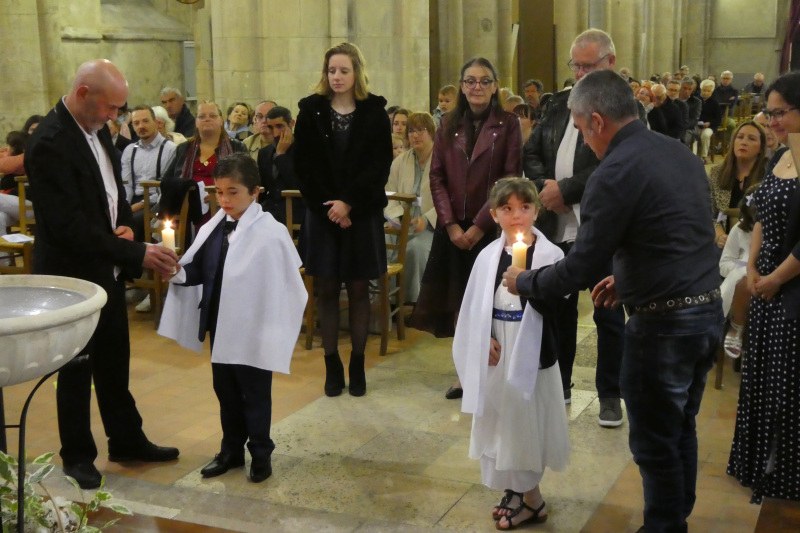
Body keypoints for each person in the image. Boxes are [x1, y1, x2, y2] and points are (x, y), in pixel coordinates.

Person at [504, 69, 723, 533]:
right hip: (705, 312)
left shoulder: (613, 172)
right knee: (679, 427)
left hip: (663, 326)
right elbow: (680, 234)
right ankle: (675, 518)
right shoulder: (678, 153)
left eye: (581, 130)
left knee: (654, 443)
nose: (584, 139)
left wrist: (525, 281)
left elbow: (580, 267)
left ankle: (664, 526)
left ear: (598, 121)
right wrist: (627, 277)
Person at [25, 59, 180, 490]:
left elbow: (112, 194)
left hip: (105, 266)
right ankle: (77, 455)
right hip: (72, 276)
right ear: (82, 94)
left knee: (114, 361)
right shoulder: (49, 143)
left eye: (119, 108)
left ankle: (126, 439)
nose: (116, 116)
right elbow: (68, 228)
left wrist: (124, 226)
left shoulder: (98, 130)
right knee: (76, 368)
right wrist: (136, 252)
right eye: (110, 107)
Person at [160, 153, 306, 483]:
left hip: (254, 330)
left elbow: (285, 285)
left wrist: (271, 325)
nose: (224, 200)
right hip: (220, 326)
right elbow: (199, 270)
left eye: (233, 192)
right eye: (219, 192)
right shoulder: (212, 228)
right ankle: (231, 451)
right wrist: (176, 271)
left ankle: (261, 452)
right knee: (225, 392)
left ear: (255, 192)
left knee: (255, 394)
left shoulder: (271, 233)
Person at [522, 28, 628, 427]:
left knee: (608, 313)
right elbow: (531, 152)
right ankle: (559, 384)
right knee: (557, 307)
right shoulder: (557, 103)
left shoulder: (626, 106)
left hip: (601, 225)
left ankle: (610, 395)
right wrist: (546, 189)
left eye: (589, 66)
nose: (580, 73)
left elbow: (614, 163)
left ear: (610, 63)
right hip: (556, 224)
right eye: (576, 66)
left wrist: (565, 190)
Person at [455, 177, 569, 530]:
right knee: (500, 420)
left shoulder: (552, 256)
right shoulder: (487, 257)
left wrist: (528, 285)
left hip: (531, 349)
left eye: (524, 207)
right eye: (507, 209)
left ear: (537, 211)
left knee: (524, 422)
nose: (516, 215)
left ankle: (530, 498)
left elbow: (559, 309)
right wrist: (483, 338)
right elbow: (475, 307)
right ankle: (517, 492)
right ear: (494, 214)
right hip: (498, 349)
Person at [409, 56, 521, 399]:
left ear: (495, 86)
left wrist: (480, 225)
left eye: (484, 81)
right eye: (470, 81)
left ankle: (491, 374)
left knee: (489, 301)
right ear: (462, 86)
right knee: (459, 301)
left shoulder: (508, 124)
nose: (477, 87)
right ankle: (464, 374)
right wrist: (450, 224)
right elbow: (437, 177)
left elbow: (509, 177)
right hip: (453, 229)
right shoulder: (448, 123)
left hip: (490, 228)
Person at [294, 42, 392, 397]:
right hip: (323, 215)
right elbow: (304, 166)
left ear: (356, 73)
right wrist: (331, 208)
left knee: (359, 288)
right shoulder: (311, 110)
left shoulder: (374, 111)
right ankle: (332, 363)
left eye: (344, 71)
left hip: (361, 214)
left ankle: (358, 363)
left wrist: (348, 203)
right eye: (332, 70)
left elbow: (379, 165)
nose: (337, 76)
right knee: (326, 289)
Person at [727, 71, 800, 504]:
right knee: (761, 377)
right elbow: (758, 219)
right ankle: (755, 463)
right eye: (769, 113)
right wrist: (752, 268)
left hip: (791, 287)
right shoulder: (781, 157)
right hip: (766, 283)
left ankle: (785, 472)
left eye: (779, 113)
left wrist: (775, 278)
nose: (771, 122)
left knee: (787, 385)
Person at [165, 101, 246, 228]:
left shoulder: (237, 147)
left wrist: (224, 195)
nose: (207, 119)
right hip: (188, 211)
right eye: (202, 116)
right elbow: (168, 180)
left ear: (221, 120)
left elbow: (247, 181)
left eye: (212, 116)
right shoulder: (184, 148)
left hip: (226, 209)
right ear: (196, 122)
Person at [384, 112, 437, 305]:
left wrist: (427, 219)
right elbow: (389, 193)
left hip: (431, 226)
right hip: (402, 223)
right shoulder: (400, 161)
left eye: (421, 130)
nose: (415, 135)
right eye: (411, 131)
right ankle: (386, 299)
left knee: (416, 249)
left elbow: (450, 198)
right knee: (379, 241)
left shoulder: (443, 159)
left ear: (431, 133)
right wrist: (397, 217)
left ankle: (414, 303)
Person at [707, 120, 766, 249]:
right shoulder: (716, 173)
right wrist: (719, 235)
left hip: (756, 243)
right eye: (740, 137)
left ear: (761, 148)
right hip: (724, 243)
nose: (743, 142)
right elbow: (710, 214)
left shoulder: (768, 175)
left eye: (751, 139)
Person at [719, 187, 758, 358]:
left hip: (769, 274)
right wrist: (741, 269)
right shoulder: (739, 230)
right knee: (743, 283)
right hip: (742, 276)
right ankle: (737, 326)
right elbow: (724, 263)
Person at [257, 105, 301, 226]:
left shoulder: (305, 150)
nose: (275, 133)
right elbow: (263, 188)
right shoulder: (264, 153)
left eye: (279, 126)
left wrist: (281, 156)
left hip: (297, 212)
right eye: (270, 127)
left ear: (291, 123)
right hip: (270, 213)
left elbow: (297, 184)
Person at [699, 79, 722, 164]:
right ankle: (693, 155)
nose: (705, 93)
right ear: (701, 89)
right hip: (697, 125)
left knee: (705, 135)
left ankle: (703, 156)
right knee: (694, 135)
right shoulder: (697, 100)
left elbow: (718, 119)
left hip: (710, 126)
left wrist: (709, 123)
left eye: (708, 91)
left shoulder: (715, 103)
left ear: (711, 92)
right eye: (704, 90)